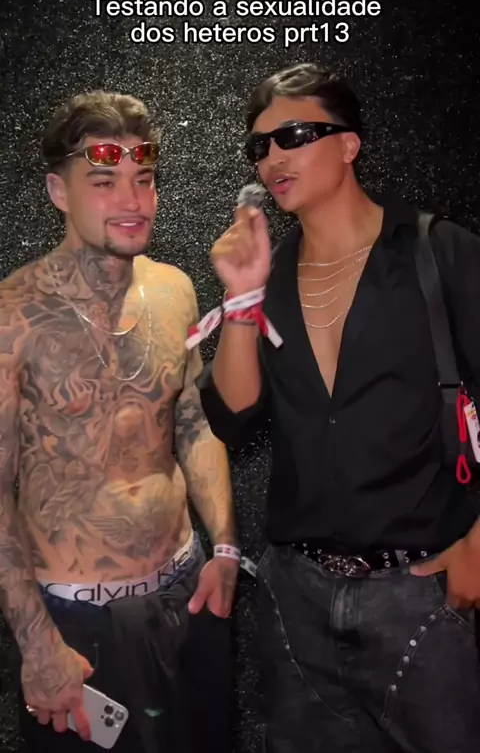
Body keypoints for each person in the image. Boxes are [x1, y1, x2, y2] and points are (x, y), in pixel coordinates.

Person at [197, 62, 480, 753]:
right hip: (296, 599)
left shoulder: (438, 250)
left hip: (422, 592)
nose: (273, 158)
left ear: (349, 144)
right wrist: (240, 298)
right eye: (259, 146)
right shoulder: (270, 277)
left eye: (293, 135)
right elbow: (232, 417)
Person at [0, 90, 239, 753]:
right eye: (104, 182)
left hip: (188, 595)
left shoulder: (174, 289)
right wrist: (37, 643)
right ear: (59, 191)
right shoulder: (12, 318)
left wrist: (225, 547)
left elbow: (192, 426)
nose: (132, 200)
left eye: (144, 178)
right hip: (77, 625)